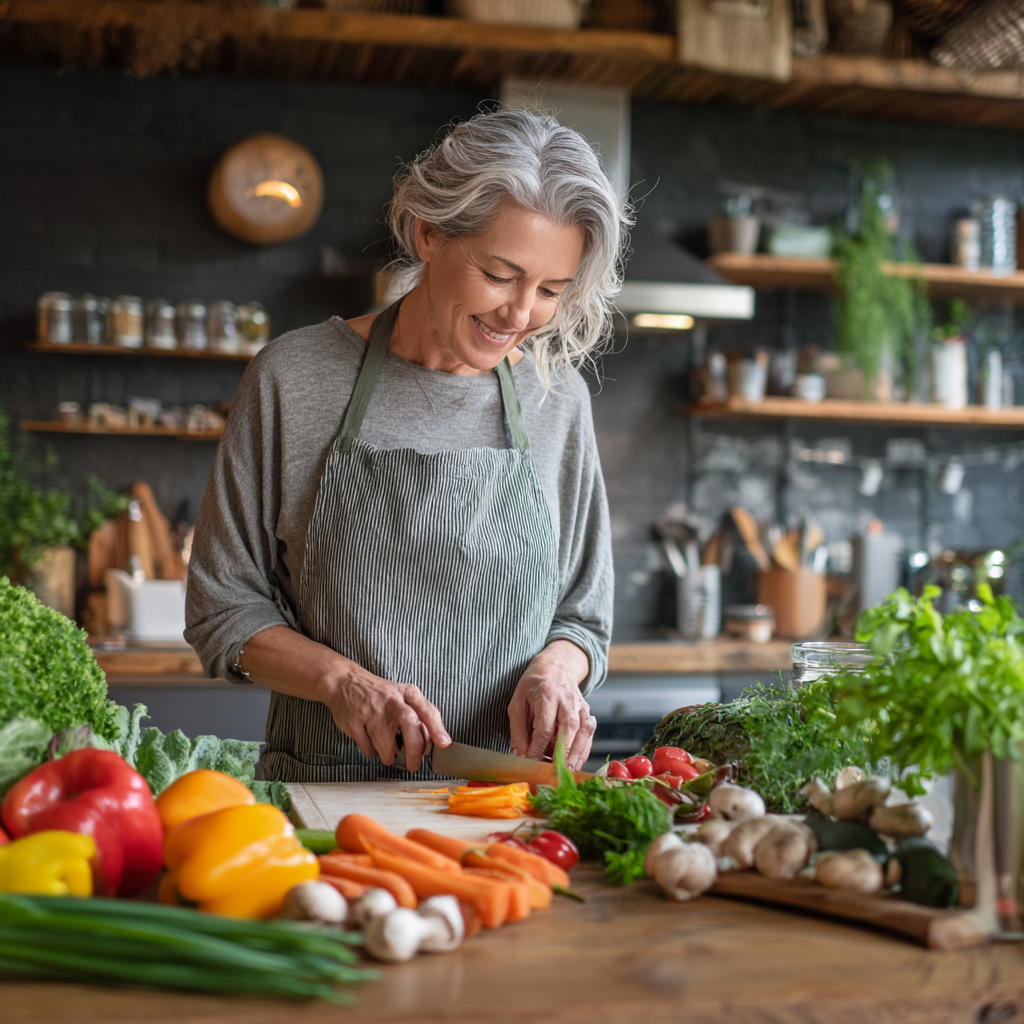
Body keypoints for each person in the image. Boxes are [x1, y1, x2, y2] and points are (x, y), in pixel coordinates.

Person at [185, 107, 628, 781]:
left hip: (506, 809)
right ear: (429, 234)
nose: (519, 314)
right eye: (501, 273)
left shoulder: (557, 398)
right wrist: (343, 685)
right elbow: (223, 606)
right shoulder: (293, 379)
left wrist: (557, 672)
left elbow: (583, 617)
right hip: (328, 806)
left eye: (550, 291)